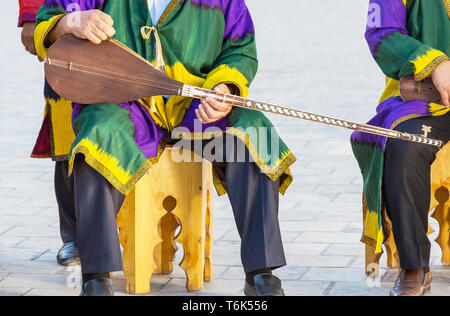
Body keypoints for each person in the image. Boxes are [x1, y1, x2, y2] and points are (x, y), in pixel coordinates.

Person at [34, 0, 296, 296]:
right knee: (98, 137)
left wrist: (225, 90)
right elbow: (46, 23)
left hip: (196, 105)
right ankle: (96, 276)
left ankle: (261, 272)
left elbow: (240, 49)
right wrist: (70, 23)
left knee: (253, 132)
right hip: (122, 103)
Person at [351, 0, 450, 296]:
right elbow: (382, 33)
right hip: (423, 102)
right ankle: (414, 266)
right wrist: (436, 64)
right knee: (403, 146)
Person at [18, 0, 81, 266]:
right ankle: (75, 238)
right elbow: (34, 33)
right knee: (70, 149)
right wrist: (36, 18)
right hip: (70, 62)